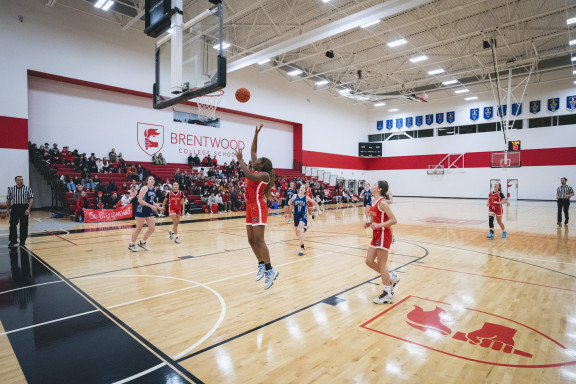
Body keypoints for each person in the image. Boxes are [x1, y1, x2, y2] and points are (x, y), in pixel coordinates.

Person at [233, 124, 279, 289]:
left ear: (262, 166)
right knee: (251, 240)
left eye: (258, 161)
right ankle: (261, 264)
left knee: (259, 240)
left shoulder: (264, 175)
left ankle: (270, 270)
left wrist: (240, 160)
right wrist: (255, 134)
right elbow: (253, 152)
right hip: (249, 206)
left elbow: (249, 174)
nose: (255, 160)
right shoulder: (256, 166)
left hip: (259, 206)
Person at [363, 180, 399, 304]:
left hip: (384, 234)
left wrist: (379, 224)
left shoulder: (383, 203)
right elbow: (377, 218)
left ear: (379, 189)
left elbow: (394, 220)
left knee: (382, 263)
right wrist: (370, 223)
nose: (372, 186)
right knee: (368, 261)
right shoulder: (373, 202)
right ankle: (391, 278)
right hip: (376, 233)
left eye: (374, 185)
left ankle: (388, 294)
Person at [129, 176, 163, 252]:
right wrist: (151, 206)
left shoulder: (153, 189)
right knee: (139, 229)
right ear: (147, 181)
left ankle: (142, 242)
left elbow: (152, 201)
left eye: (153, 179)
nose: (152, 180)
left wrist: (158, 207)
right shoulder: (145, 188)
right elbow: (140, 200)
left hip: (149, 210)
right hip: (141, 209)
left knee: (152, 228)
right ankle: (131, 244)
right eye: (150, 179)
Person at [289, 184, 321, 256]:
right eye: (301, 187)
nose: (302, 188)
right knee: (298, 233)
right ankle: (305, 228)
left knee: (300, 229)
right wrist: (290, 201)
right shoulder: (294, 196)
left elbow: (315, 202)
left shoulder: (306, 197)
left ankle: (302, 248)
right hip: (296, 215)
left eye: (303, 188)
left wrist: (319, 210)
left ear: (305, 190)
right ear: (299, 189)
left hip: (303, 215)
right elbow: (289, 203)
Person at [6, 176, 34, 247]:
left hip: (24, 207)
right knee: (12, 224)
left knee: (24, 225)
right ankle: (13, 240)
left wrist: (28, 209)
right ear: (15, 180)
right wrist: (7, 210)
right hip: (15, 207)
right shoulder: (11, 189)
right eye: (19, 180)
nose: (21, 181)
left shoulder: (27, 188)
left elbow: (31, 199)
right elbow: (8, 200)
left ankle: (22, 240)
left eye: (22, 180)